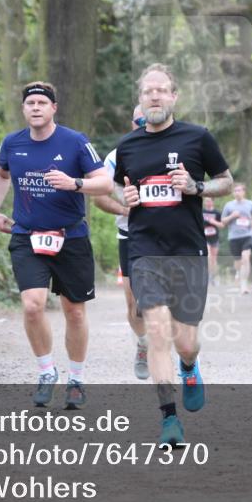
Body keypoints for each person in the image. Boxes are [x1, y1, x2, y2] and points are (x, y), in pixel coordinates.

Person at [115, 63, 233, 445]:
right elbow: (119, 190)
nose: (154, 96)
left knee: (185, 341)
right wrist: (126, 198)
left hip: (188, 253)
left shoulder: (197, 138)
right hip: (145, 252)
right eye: (148, 91)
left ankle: (190, 367)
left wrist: (196, 186)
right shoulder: (127, 146)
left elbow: (227, 182)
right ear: (140, 98)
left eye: (161, 90)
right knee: (157, 331)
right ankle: (169, 419)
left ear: (174, 96)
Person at [0, 81, 113, 409]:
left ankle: (76, 379)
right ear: (24, 109)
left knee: (74, 311)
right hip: (26, 235)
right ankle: (46, 372)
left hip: (70, 237)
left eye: (43, 102)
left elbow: (105, 183)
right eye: (30, 103)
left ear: (54, 108)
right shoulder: (12, 144)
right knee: (32, 304)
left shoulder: (75, 142)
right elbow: (1, 175)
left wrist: (75, 183)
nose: (36, 107)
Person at [92, 106, 149, 380]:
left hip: (167, 235)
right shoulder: (117, 156)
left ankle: (176, 346)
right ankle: (143, 345)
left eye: (149, 118)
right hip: (131, 234)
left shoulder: (176, 151)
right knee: (134, 302)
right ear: (132, 123)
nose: (145, 124)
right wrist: (126, 211)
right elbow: (100, 197)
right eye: (140, 120)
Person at [222, 184, 252, 294]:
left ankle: (244, 285)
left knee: (245, 257)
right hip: (234, 236)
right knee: (238, 262)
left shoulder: (250, 204)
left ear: (244, 192)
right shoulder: (229, 205)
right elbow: (223, 221)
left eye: (239, 190)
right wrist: (232, 216)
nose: (237, 192)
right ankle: (238, 274)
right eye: (235, 190)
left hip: (247, 235)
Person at [202, 197, 225, 285]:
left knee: (213, 259)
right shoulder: (201, 212)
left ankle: (213, 277)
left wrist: (213, 222)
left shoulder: (217, 213)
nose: (207, 202)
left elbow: (222, 225)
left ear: (213, 201)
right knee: (208, 256)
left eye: (209, 201)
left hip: (214, 238)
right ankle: (207, 276)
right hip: (204, 238)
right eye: (206, 201)